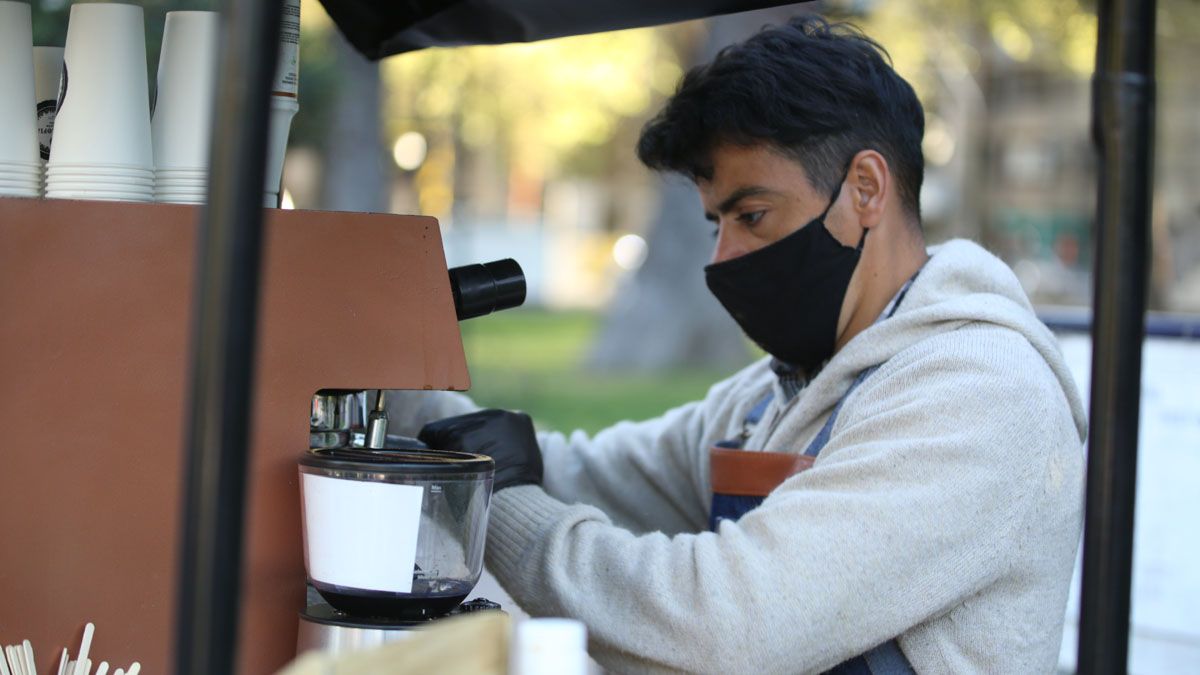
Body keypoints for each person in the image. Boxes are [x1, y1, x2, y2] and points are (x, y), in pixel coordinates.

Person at [390, 16, 1086, 674]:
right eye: (716, 223)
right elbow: (593, 476)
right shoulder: (778, 393)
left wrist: (492, 498)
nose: (724, 256)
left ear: (866, 188)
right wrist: (410, 401)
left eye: (752, 215)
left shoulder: (978, 396)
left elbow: (722, 628)